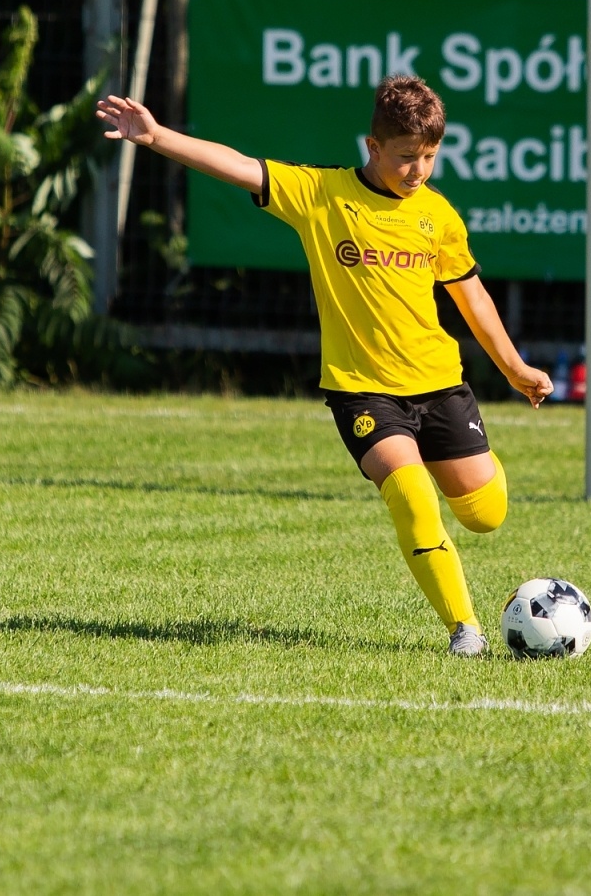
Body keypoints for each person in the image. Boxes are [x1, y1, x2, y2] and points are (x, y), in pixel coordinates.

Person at [96, 76, 552, 656]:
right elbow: (240, 167)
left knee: (486, 515)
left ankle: (471, 504)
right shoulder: (322, 194)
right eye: (407, 157)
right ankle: (466, 630)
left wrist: (513, 368)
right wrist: (158, 136)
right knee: (412, 495)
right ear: (373, 146)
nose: (419, 171)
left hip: (440, 385)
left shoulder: (438, 217)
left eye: (430, 157)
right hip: (362, 393)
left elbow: (473, 297)